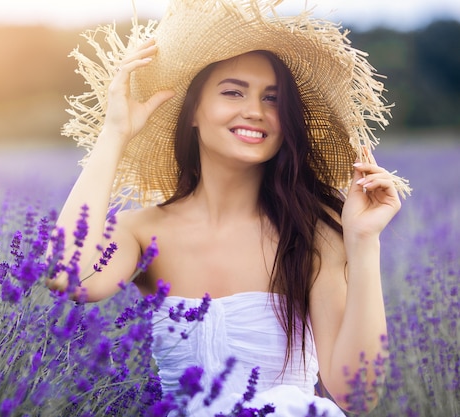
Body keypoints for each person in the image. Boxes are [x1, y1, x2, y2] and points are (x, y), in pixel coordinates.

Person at [51, 0, 410, 415]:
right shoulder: (142, 231)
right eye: (233, 92)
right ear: (193, 112)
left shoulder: (311, 235)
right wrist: (115, 134)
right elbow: (66, 276)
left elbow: (357, 396)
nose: (255, 111)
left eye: (272, 99)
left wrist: (364, 244)